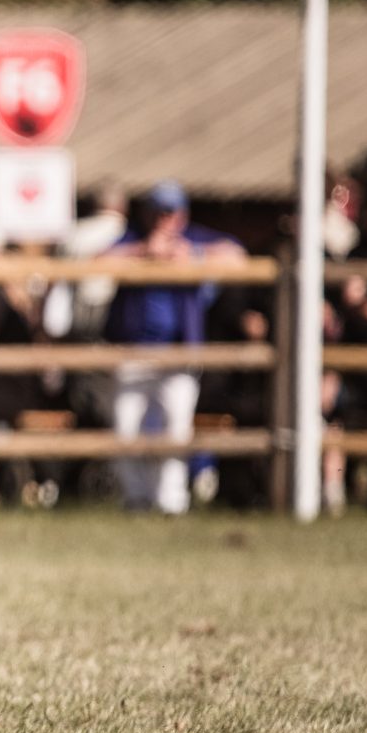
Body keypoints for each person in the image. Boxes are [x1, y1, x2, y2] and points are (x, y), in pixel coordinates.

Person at [102, 180, 246, 514]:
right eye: (158, 211)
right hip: (132, 350)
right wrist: (143, 253)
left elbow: (237, 255)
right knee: (127, 424)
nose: (164, 219)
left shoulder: (194, 239)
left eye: (170, 212)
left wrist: (190, 255)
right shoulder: (133, 239)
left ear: (182, 214)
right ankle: (136, 498)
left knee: (175, 425)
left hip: (179, 350)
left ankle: (171, 500)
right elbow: (97, 261)